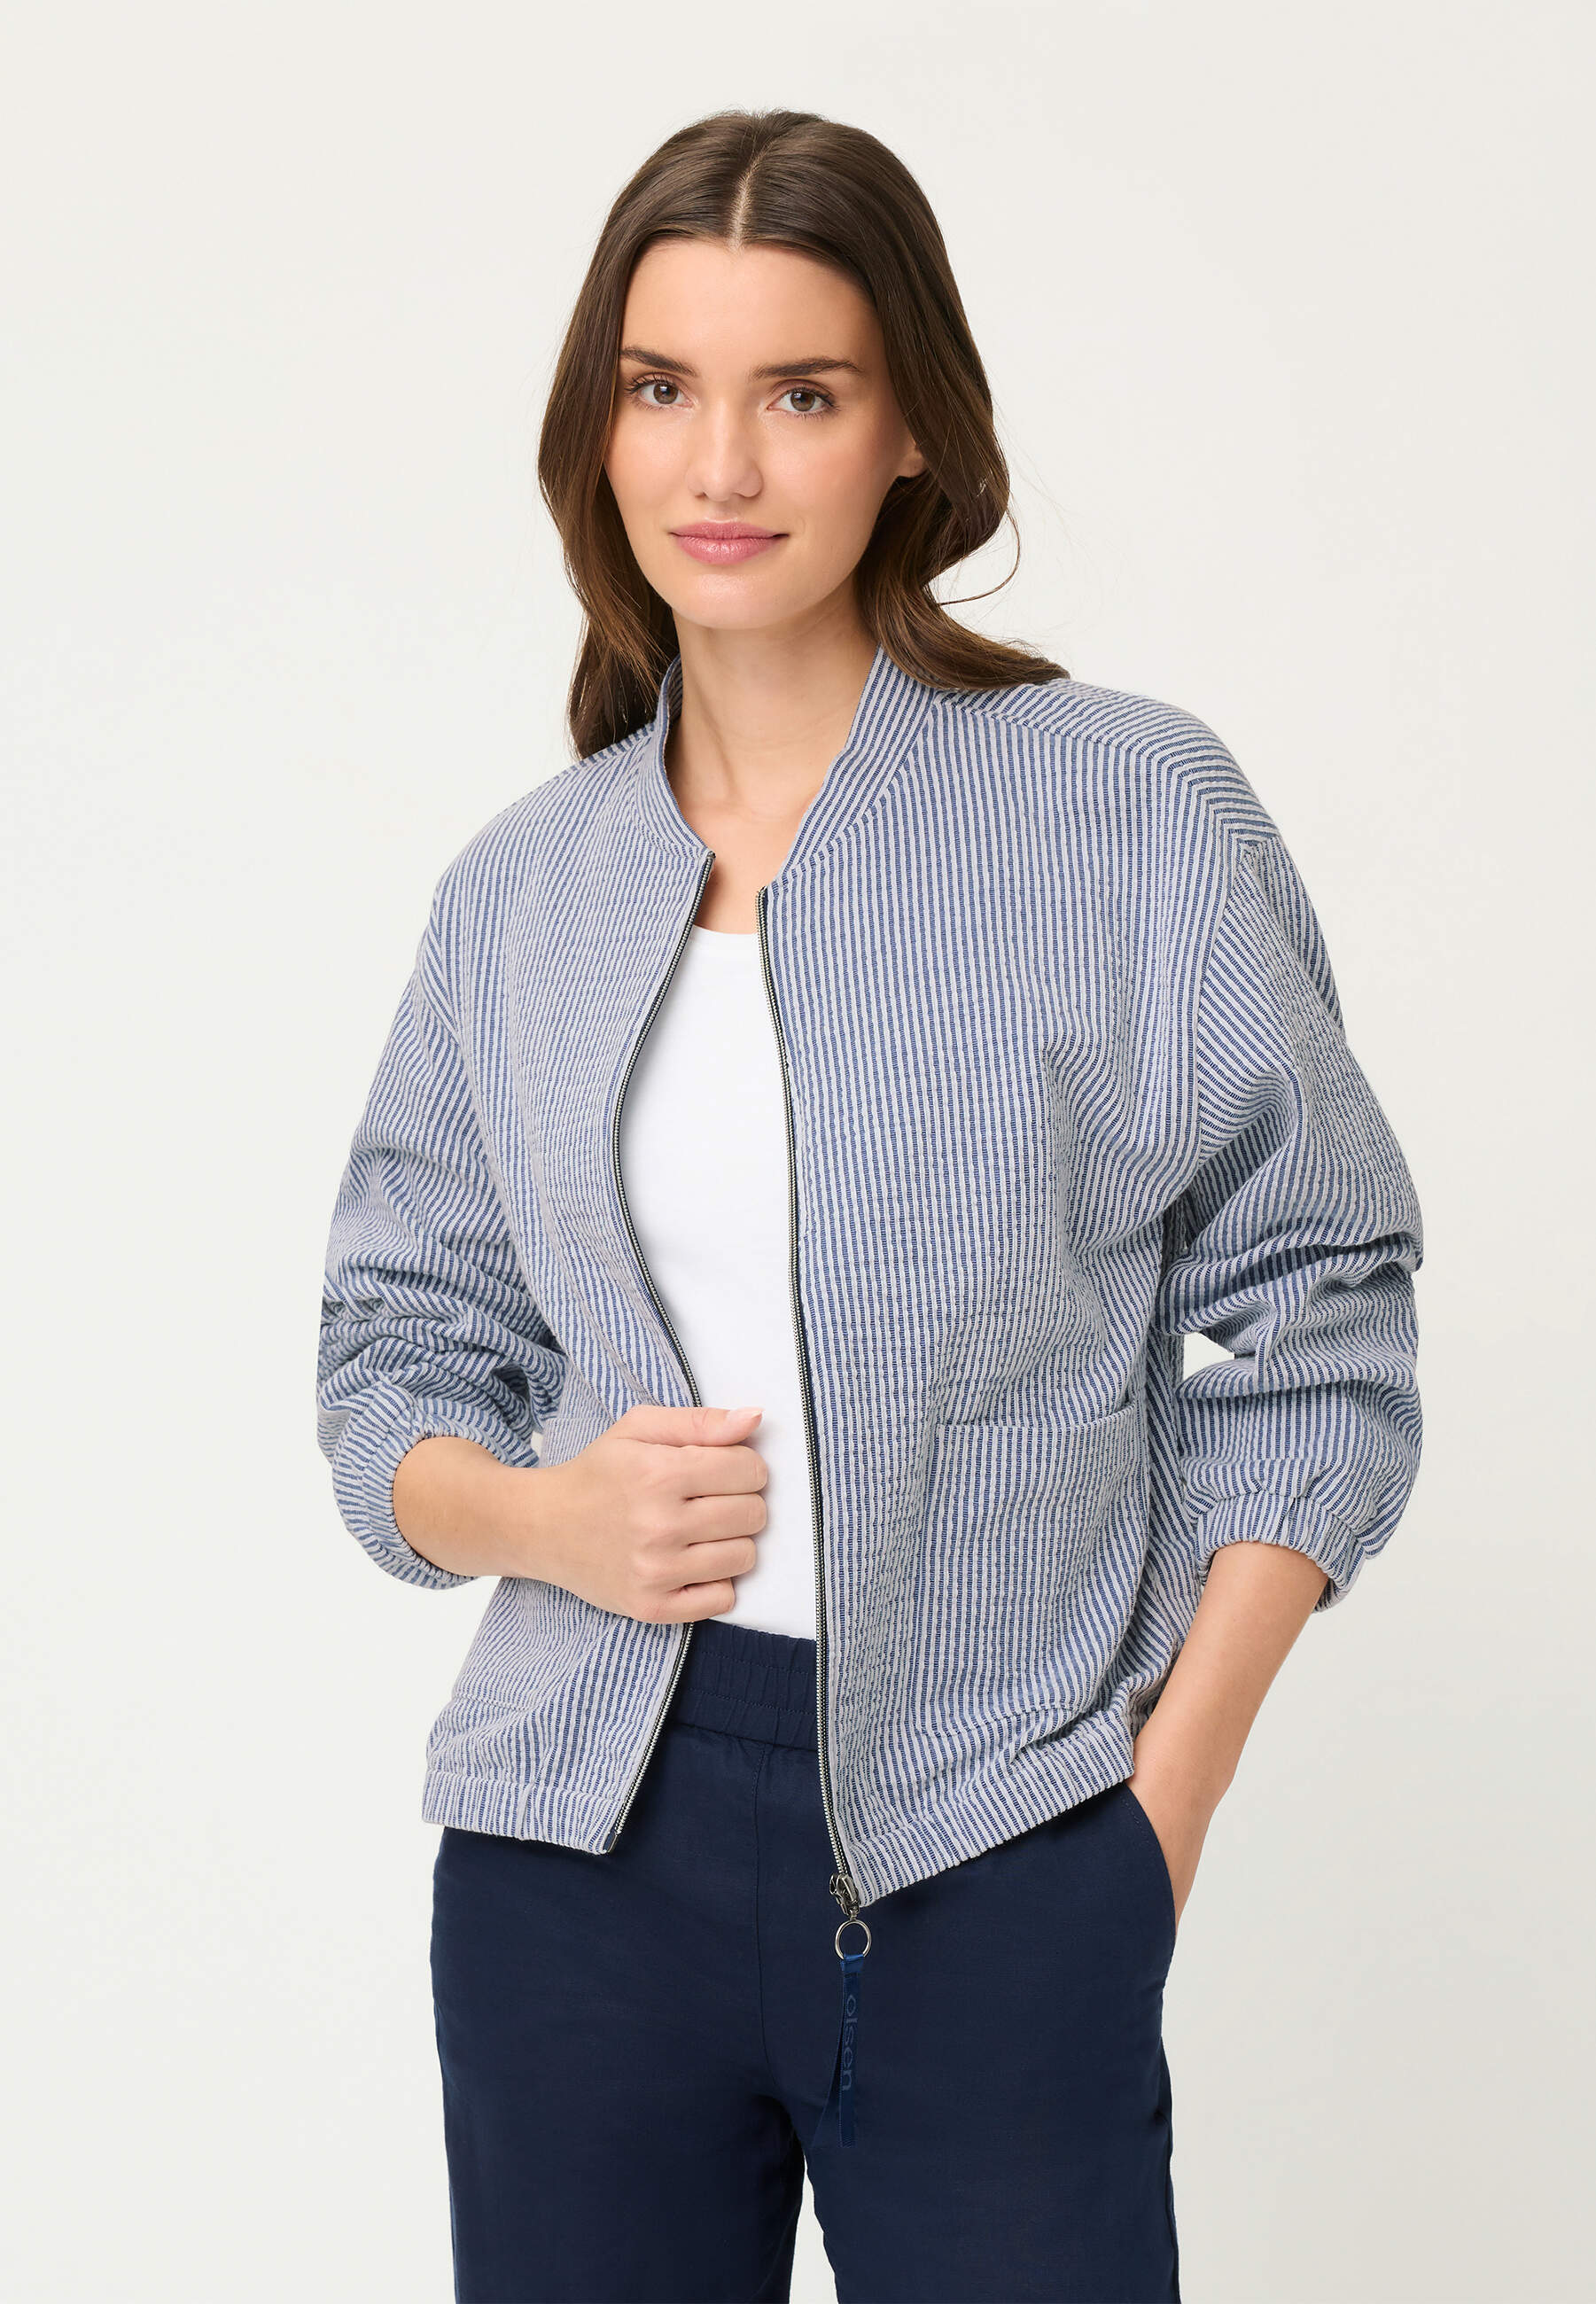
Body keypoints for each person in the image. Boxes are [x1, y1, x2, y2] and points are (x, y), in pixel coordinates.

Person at [315, 106, 1424, 2304]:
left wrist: (1155, 1812)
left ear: (911, 425)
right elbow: (386, 1362)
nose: (720, 464)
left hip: (999, 1833)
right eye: (663, 388)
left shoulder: (1120, 810)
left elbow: (1328, 1313)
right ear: (601, 426)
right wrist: (544, 1516)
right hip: (575, 1861)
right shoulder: (525, 892)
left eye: (801, 393)